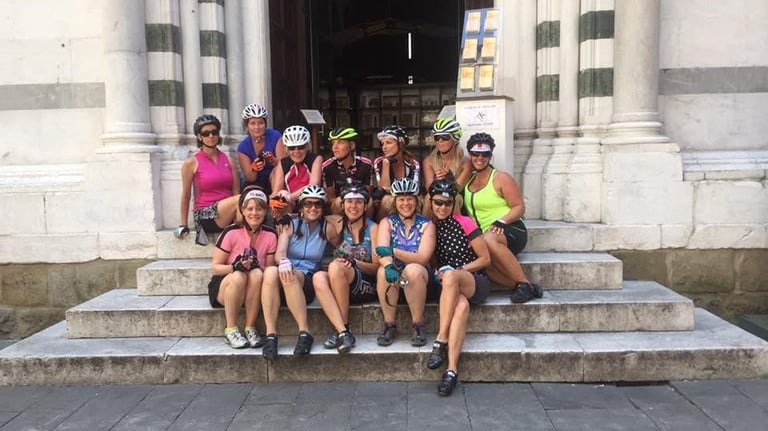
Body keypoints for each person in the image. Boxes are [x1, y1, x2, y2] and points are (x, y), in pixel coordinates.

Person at [426, 179, 491, 396]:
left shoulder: (465, 222)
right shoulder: (430, 226)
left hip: (474, 279)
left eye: (447, 203)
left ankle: (440, 339)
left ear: (454, 203)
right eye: (438, 202)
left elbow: (485, 259)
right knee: (461, 307)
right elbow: (433, 261)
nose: (442, 207)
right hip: (449, 284)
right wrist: (439, 272)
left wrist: (458, 270)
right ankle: (452, 370)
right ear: (431, 202)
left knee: (452, 276)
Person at [260, 185, 340, 359]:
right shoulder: (290, 224)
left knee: (289, 275)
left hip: (307, 279)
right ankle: (271, 335)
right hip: (286, 272)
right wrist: (284, 261)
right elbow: (280, 252)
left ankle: (305, 332)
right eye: (308, 204)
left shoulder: (327, 228)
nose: (313, 208)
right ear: (301, 206)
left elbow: (342, 248)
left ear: (323, 207)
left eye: (318, 204)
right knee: (270, 272)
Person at [462, 132, 543, 303]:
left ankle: (522, 282)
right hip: (485, 235)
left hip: (510, 229)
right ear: (470, 155)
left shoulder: (500, 178)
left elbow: (519, 207)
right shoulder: (469, 179)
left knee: (489, 239)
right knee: (480, 260)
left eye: (485, 154)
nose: (480, 158)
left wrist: (502, 221)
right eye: (476, 154)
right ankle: (524, 286)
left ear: (490, 155)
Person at [312, 182, 380, 354]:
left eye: (358, 202)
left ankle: (343, 327)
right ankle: (343, 332)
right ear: (342, 205)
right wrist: (288, 217)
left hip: (366, 284)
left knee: (336, 266)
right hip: (341, 281)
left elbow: (377, 267)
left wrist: (355, 262)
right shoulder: (337, 223)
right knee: (318, 277)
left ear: (365, 206)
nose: (353, 206)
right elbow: (311, 214)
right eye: (349, 201)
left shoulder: (373, 228)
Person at [208, 186, 277, 348]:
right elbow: (215, 268)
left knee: (257, 273)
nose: (254, 213)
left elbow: (269, 270)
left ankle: (250, 327)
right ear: (242, 211)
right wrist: (235, 266)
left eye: (259, 209)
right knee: (239, 275)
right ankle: (231, 329)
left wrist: (258, 265)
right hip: (226, 286)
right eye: (250, 209)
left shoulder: (271, 235)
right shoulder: (231, 232)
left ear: (265, 211)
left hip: (252, 287)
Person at [375, 177, 436, 348]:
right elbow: (381, 251)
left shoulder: (427, 224)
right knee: (383, 271)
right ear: (395, 202)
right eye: (401, 199)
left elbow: (423, 258)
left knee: (413, 270)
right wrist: (388, 264)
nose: (406, 203)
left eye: (410, 199)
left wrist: (393, 252)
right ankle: (389, 324)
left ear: (417, 201)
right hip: (396, 278)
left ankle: (418, 324)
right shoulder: (387, 222)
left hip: (419, 278)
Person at [176, 114, 240, 246]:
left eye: (214, 132)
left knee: (248, 202)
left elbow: (235, 191)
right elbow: (186, 195)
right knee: (242, 199)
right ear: (199, 137)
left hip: (228, 211)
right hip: (205, 213)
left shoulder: (228, 160)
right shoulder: (191, 163)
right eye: (206, 133)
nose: (211, 136)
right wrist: (183, 224)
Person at [421, 118, 472, 217]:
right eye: (437, 137)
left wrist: (450, 178)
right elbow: (429, 188)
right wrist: (436, 181)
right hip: (436, 195)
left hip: (456, 197)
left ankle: (456, 225)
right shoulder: (429, 161)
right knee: (428, 197)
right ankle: (425, 226)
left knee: (453, 197)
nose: (440, 141)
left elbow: (458, 189)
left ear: (455, 139)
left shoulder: (465, 162)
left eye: (445, 137)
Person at [321, 127, 374, 216]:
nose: (335, 148)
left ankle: (366, 224)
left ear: (352, 146)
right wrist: (347, 202)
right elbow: (330, 199)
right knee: (337, 202)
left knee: (370, 202)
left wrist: (354, 201)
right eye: (333, 143)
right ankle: (339, 225)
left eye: (340, 142)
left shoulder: (366, 164)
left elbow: (368, 193)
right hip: (340, 203)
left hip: (359, 199)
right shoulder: (327, 166)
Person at [372, 125, 421, 221]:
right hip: (390, 199)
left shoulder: (413, 163)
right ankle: (382, 227)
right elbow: (384, 187)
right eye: (382, 144)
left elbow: (414, 189)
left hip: (408, 197)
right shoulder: (379, 162)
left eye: (388, 143)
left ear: (400, 143)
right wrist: (386, 164)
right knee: (386, 199)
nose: (384, 147)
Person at [270, 125, 323, 210]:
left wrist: (289, 197)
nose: (296, 151)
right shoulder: (283, 162)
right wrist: (274, 201)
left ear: (307, 146)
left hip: (311, 202)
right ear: (287, 149)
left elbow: (314, 185)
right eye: (292, 148)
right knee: (281, 195)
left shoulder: (316, 159)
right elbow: (276, 191)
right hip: (291, 204)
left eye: (301, 147)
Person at [236, 103, 286, 193]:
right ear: (246, 126)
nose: (257, 127)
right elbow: (250, 178)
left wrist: (274, 161)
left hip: (276, 179)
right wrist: (254, 169)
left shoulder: (275, 136)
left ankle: (275, 196)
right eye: (252, 123)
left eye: (260, 123)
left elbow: (284, 165)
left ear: (265, 125)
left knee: (276, 171)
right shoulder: (243, 147)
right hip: (256, 183)